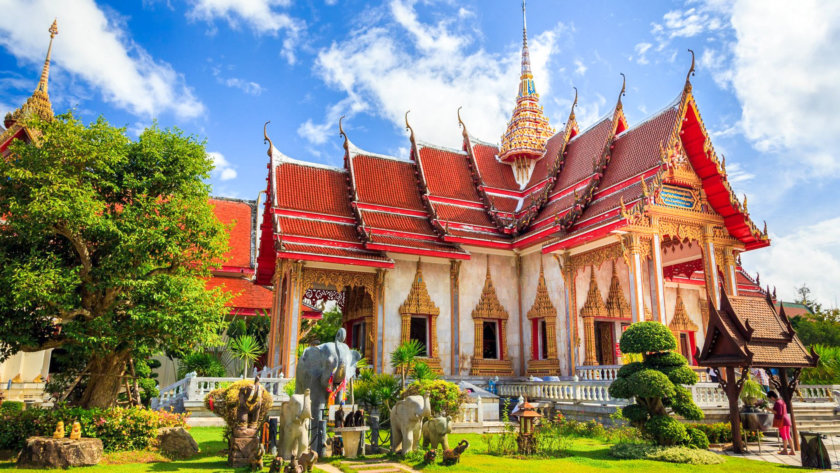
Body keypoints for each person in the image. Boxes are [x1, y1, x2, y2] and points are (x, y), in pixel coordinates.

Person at [767, 391, 794, 455]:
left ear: (772, 397)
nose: (771, 400)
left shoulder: (777, 403)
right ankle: (792, 450)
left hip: (782, 421)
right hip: (786, 419)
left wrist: (769, 409)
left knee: (784, 435)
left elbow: (779, 413)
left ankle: (785, 450)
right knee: (788, 435)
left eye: (770, 398)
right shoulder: (782, 401)